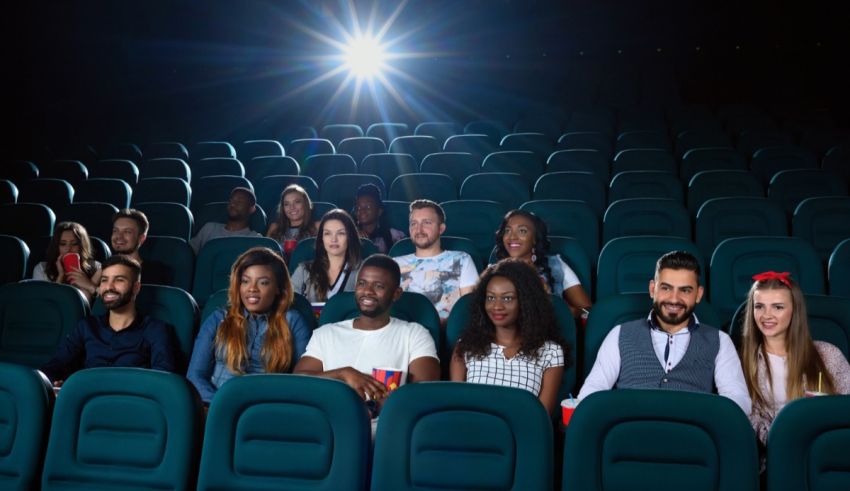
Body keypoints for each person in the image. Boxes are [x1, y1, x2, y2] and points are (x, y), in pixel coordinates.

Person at [578, 251, 751, 413]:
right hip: (629, 436)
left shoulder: (720, 340)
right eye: (666, 288)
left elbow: (738, 402)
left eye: (685, 290)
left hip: (692, 438)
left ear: (698, 294)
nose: (674, 299)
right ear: (653, 289)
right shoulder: (619, 334)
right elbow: (591, 394)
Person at [294, 254, 440, 405]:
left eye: (378, 286)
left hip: (388, 424)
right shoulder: (326, 333)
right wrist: (343, 374)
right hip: (332, 422)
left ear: (396, 294)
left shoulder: (415, 334)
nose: (368, 291)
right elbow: (299, 381)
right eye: (362, 283)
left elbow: (425, 392)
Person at [187, 247, 311, 403]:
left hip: (267, 409)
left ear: (278, 288)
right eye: (245, 281)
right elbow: (195, 376)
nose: (252, 289)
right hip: (215, 406)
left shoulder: (293, 321)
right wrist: (222, 406)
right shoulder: (219, 318)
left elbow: (303, 381)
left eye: (263, 282)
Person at [740, 271, 850, 446]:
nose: (766, 315)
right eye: (759, 306)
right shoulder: (741, 362)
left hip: (826, 450)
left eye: (778, 307)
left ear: (794, 311)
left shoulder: (828, 354)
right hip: (776, 454)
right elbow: (749, 423)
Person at [450, 259, 566, 416]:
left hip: (521, 436)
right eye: (491, 297)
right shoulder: (466, 346)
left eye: (507, 298)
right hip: (473, 433)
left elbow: (541, 418)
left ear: (526, 302)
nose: (497, 306)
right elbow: (458, 407)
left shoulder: (551, 352)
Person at [40, 255, 176, 385]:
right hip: (88, 401)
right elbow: (55, 365)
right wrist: (54, 382)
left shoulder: (155, 330)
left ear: (136, 288)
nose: (109, 287)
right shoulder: (87, 326)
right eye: (104, 280)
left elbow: (163, 380)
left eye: (119, 280)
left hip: (132, 403)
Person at [493, 209, 591, 318]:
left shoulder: (556, 266)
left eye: (522, 231)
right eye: (507, 231)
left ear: (535, 238)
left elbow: (587, 311)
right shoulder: (493, 272)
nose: (512, 237)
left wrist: (562, 310)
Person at [394, 199, 478, 324]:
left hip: (447, 334)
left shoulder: (462, 259)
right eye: (413, 224)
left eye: (426, 223)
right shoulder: (394, 264)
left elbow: (470, 309)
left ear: (441, 228)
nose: (419, 229)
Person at [290, 209, 362, 303]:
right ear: (321, 238)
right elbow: (289, 304)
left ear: (350, 237)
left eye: (341, 233)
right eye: (327, 233)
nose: (333, 239)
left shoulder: (363, 271)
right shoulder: (303, 271)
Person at [32, 221, 102, 303]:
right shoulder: (42, 269)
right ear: (56, 247)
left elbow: (110, 302)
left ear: (82, 246)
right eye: (63, 244)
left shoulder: (96, 267)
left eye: (74, 243)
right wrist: (60, 278)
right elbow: (43, 306)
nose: (68, 248)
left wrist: (90, 286)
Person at [190, 186, 261, 254]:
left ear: (252, 209)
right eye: (231, 200)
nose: (233, 204)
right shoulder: (209, 228)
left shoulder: (255, 238)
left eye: (240, 201)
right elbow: (188, 255)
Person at [110, 208, 169, 285]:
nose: (119, 236)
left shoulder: (154, 271)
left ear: (141, 238)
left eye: (127, 232)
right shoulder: (105, 267)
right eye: (115, 231)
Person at [266, 184, 318, 258]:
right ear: (283, 208)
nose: (292, 207)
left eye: (297, 202)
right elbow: (264, 254)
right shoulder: (274, 228)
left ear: (305, 204)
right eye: (286, 204)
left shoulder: (317, 227)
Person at [353, 183, 404, 253]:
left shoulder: (393, 235)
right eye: (358, 207)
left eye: (367, 207)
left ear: (379, 211)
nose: (362, 211)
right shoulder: (351, 234)